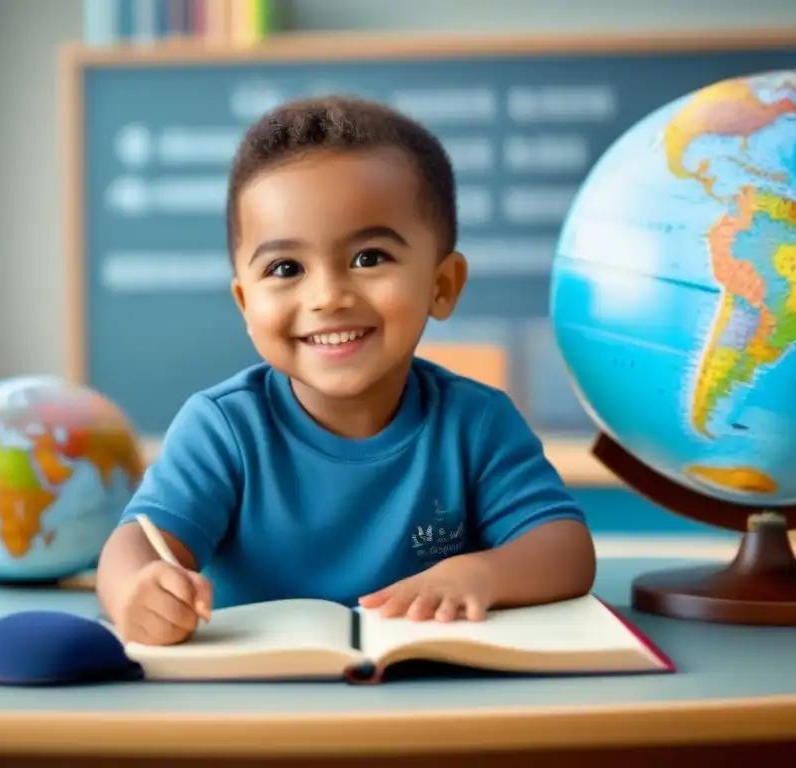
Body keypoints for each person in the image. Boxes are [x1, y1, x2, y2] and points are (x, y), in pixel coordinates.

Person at [96, 95, 596, 646]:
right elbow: (136, 544)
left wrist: (481, 574)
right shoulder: (223, 429)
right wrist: (137, 589)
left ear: (442, 285)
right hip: (253, 705)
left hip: (430, 700)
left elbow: (565, 548)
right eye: (286, 268)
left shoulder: (477, 422)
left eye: (369, 258)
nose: (328, 296)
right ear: (245, 305)